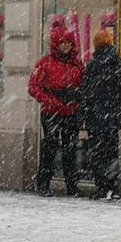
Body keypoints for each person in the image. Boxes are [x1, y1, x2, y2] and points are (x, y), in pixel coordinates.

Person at [29, 20, 85, 197]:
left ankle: (72, 185)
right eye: (63, 43)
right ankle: (44, 183)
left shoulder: (77, 65)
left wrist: (76, 97)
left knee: (70, 149)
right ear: (56, 44)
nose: (66, 46)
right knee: (49, 149)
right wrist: (51, 101)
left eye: (69, 43)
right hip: (52, 112)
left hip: (71, 112)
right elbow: (33, 87)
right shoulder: (44, 64)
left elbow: (84, 85)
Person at [79, 26, 121, 201]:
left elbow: (86, 93)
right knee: (111, 152)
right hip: (112, 117)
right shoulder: (120, 64)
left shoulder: (93, 66)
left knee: (97, 153)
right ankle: (112, 186)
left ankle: (102, 186)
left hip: (97, 117)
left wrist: (86, 114)